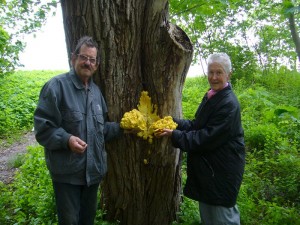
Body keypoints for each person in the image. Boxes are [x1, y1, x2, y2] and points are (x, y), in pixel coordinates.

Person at [34, 36, 123, 225]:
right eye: (84, 57)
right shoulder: (56, 87)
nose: (87, 63)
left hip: (93, 174)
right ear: (73, 58)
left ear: (96, 65)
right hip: (67, 175)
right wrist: (66, 140)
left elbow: (100, 131)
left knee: (87, 221)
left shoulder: (96, 92)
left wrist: (123, 128)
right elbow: (42, 128)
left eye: (92, 60)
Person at [158, 53, 245, 225]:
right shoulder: (213, 95)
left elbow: (205, 138)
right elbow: (198, 125)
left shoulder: (228, 104)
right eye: (210, 72)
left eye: (219, 73)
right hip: (210, 172)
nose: (213, 77)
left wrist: (174, 135)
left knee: (222, 219)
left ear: (229, 74)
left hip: (221, 174)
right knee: (210, 218)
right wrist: (175, 122)